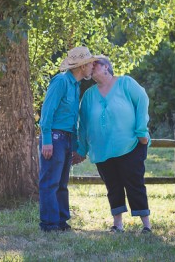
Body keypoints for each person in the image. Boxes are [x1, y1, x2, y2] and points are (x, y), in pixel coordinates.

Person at [76, 55, 152, 233]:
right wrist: (82, 149)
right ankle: (117, 224)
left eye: (95, 64)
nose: (91, 67)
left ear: (106, 67)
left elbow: (142, 100)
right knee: (113, 186)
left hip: (130, 146)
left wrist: (142, 131)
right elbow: (83, 125)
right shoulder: (89, 95)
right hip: (102, 150)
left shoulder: (125, 83)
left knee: (135, 184)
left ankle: (146, 225)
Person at [37, 46, 98, 232]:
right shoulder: (61, 81)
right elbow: (47, 111)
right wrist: (47, 140)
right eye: (90, 63)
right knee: (50, 182)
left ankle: (61, 222)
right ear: (82, 66)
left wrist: (76, 145)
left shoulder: (76, 86)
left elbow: (73, 120)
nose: (93, 66)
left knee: (62, 184)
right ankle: (49, 224)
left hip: (67, 138)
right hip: (54, 138)